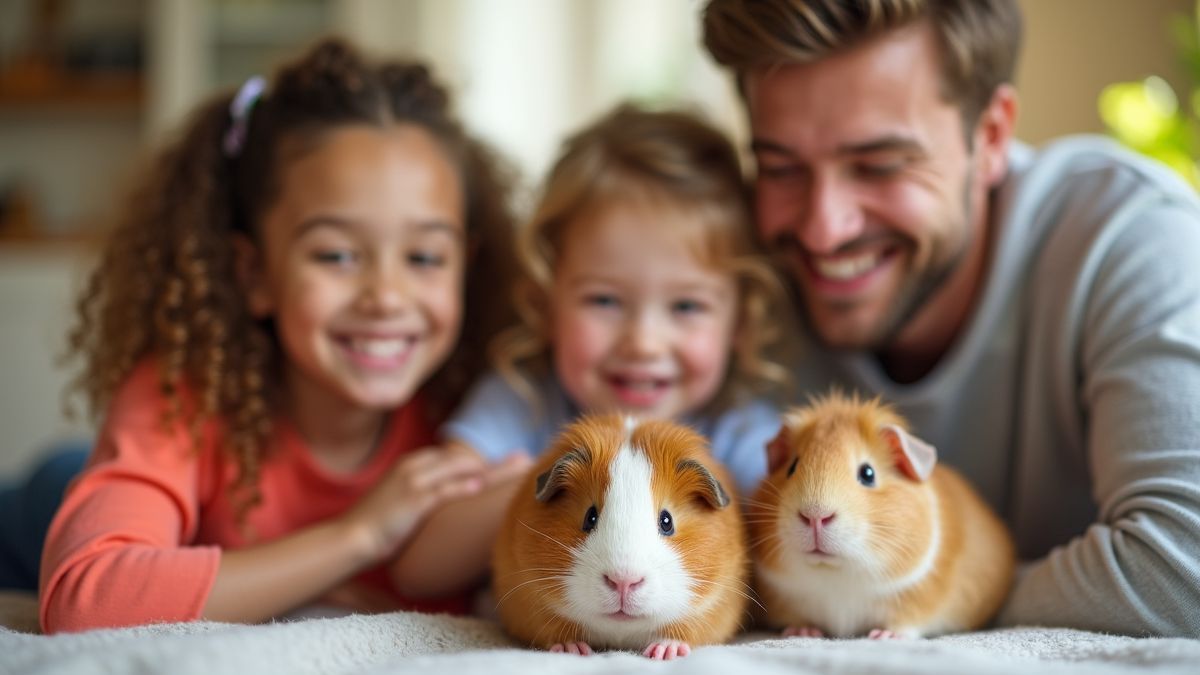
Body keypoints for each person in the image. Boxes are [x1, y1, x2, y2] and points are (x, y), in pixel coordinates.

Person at [702, 0, 1200, 637]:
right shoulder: (734, 267)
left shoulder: (1134, 239)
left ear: (990, 136)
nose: (824, 229)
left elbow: (1182, 572)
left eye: (881, 164)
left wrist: (944, 585)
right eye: (780, 167)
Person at [36, 37, 527, 634]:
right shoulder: (186, 395)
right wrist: (357, 536)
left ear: (467, 264)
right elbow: (86, 598)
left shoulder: (485, 412)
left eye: (425, 257)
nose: (387, 298)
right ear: (254, 273)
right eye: (338, 255)